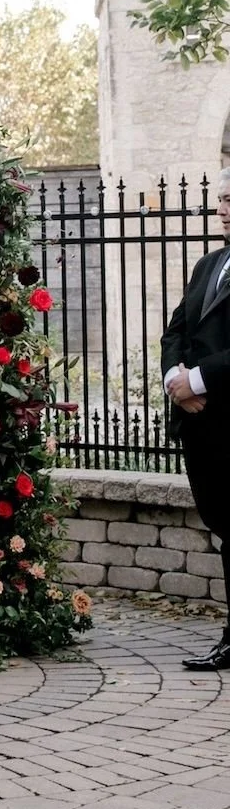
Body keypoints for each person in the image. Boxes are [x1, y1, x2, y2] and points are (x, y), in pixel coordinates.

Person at [161, 167, 230, 670]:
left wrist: (199, 379)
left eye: (229, 199)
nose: (221, 208)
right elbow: (176, 329)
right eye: (221, 199)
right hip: (201, 425)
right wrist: (174, 383)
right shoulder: (209, 264)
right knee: (225, 527)